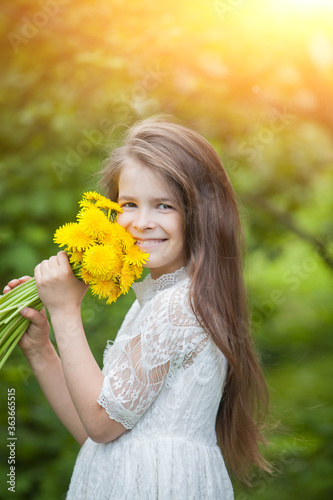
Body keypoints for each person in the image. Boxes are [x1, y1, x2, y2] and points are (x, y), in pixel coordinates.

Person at [4, 117, 270, 499]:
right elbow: (98, 436)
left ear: (201, 212)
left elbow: (100, 425)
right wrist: (42, 350)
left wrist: (65, 312)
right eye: (129, 204)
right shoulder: (157, 299)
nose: (142, 223)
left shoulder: (177, 307)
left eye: (164, 205)